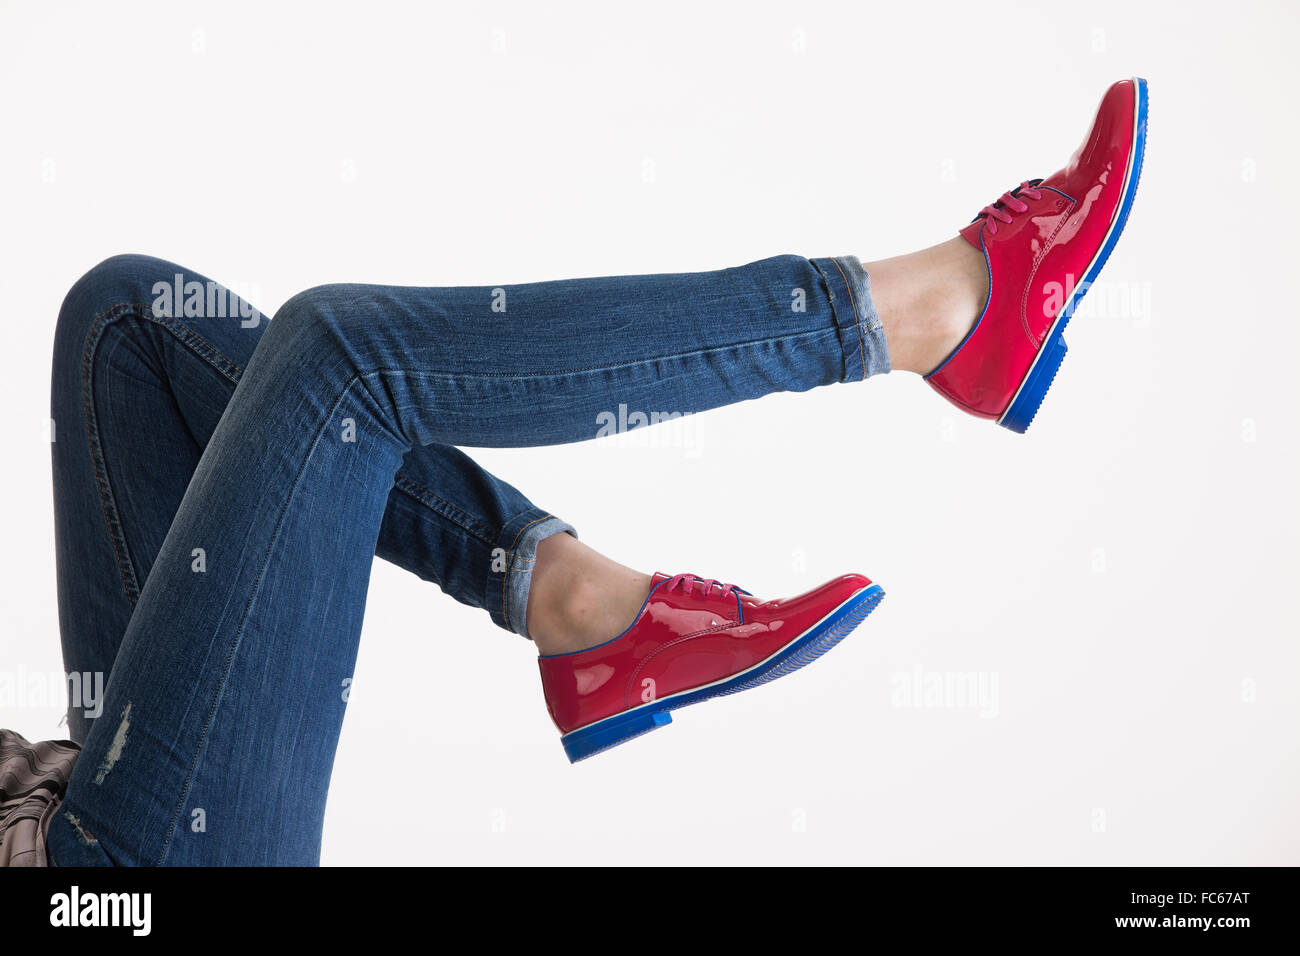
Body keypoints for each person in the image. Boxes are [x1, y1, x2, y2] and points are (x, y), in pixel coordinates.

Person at [0, 77, 1148, 866]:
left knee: (125, 320)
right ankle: (931, 312)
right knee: (339, 356)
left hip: (65, 796)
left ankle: (575, 600)